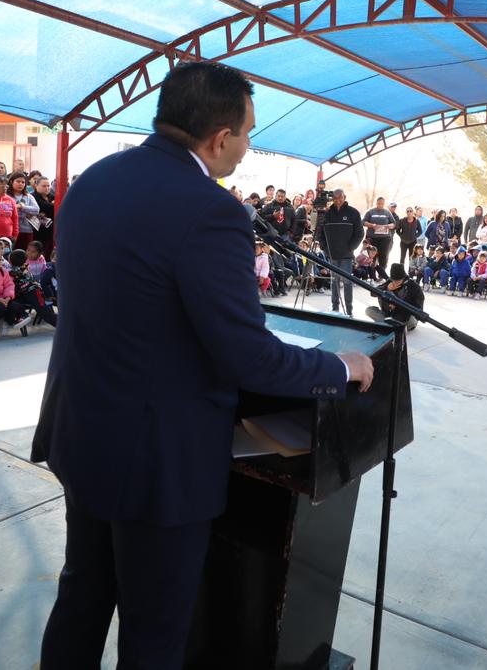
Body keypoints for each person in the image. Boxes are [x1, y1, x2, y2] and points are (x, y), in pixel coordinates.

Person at [31, 61, 373, 668]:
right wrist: (341, 370)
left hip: (82, 431)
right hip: (155, 461)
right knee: (154, 633)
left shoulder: (95, 180)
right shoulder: (211, 210)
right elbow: (249, 357)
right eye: (246, 134)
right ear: (219, 138)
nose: (246, 147)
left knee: (82, 595)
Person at [317, 189, 364, 316]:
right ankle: (335, 309)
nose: (338, 200)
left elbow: (360, 233)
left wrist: (351, 247)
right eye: (335, 198)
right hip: (331, 254)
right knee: (334, 281)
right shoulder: (327, 213)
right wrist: (325, 248)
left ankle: (349, 311)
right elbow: (319, 233)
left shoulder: (353, 213)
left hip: (346, 255)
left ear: (345, 197)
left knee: (347, 282)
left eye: (340, 197)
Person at [364, 262, 424, 329]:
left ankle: (391, 326)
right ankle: (393, 326)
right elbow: (373, 293)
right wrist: (386, 288)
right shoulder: (389, 282)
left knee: (413, 319)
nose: (395, 283)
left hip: (406, 317)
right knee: (369, 310)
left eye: (398, 281)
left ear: (403, 278)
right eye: (393, 281)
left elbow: (419, 308)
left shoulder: (414, 287)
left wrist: (397, 306)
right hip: (389, 316)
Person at [362, 196, 396, 275]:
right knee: (371, 256)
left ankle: (382, 274)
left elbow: (394, 223)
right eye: (379, 203)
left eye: (382, 204)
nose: (380, 205)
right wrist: (371, 225)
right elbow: (363, 222)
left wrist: (389, 226)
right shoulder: (370, 211)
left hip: (385, 238)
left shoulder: (387, 212)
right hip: (372, 238)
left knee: (383, 257)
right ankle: (372, 274)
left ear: (384, 204)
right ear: (376, 203)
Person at [7, 173, 41, 250]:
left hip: (27, 230)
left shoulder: (28, 196)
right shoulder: (7, 196)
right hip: (11, 230)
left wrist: (22, 206)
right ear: (11, 182)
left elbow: (36, 209)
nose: (20, 184)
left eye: (23, 182)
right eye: (18, 181)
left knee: (26, 253)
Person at [31, 175, 56, 254]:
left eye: (48, 186)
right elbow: (43, 207)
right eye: (44, 186)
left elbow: (58, 206)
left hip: (51, 230)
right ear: (36, 186)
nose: (47, 188)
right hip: (38, 231)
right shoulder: (33, 196)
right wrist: (52, 205)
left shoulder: (51, 196)